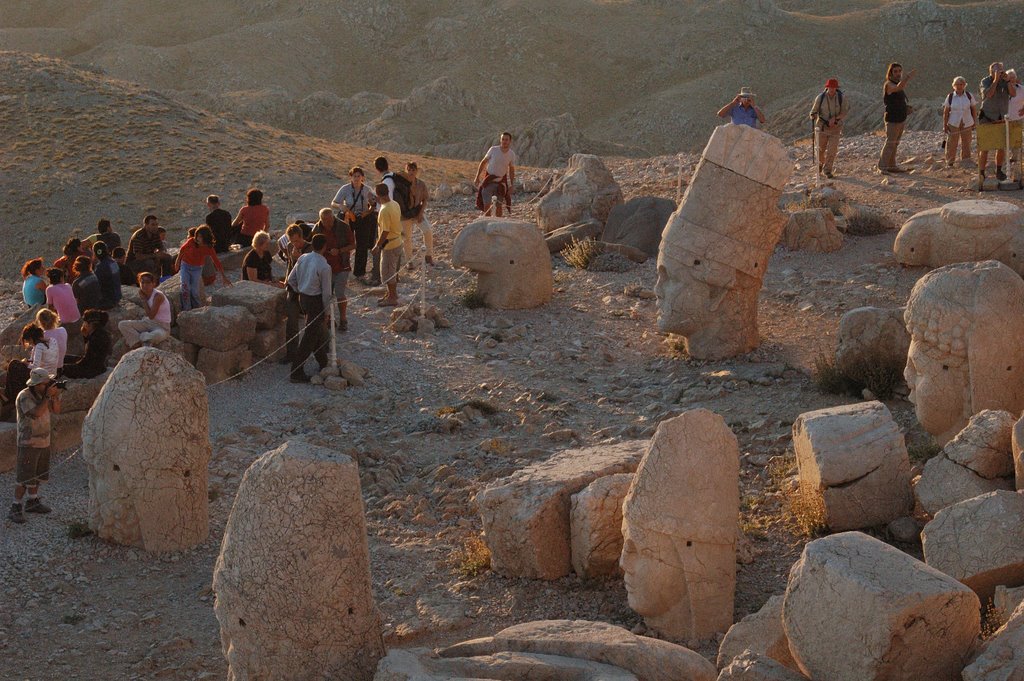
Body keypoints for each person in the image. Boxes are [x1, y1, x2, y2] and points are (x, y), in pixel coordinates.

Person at [7, 368, 61, 524]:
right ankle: (15, 506)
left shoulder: (43, 395)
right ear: (36, 384)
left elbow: (57, 411)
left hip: (44, 442)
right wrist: (47, 397)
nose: (47, 385)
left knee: (37, 475)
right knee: (25, 477)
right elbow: (36, 413)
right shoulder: (24, 396)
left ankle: (32, 501)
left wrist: (55, 397)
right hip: (28, 443)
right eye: (45, 384)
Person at [286, 234, 333, 383]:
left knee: (315, 332)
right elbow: (326, 293)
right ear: (324, 247)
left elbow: (290, 279)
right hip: (315, 301)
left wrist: (300, 289)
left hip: (303, 298)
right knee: (309, 338)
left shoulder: (303, 258)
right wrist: (327, 312)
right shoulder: (324, 266)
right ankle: (296, 372)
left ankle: (323, 363)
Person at [332, 166, 380, 284]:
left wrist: (372, 203)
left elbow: (374, 203)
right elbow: (333, 202)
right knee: (344, 243)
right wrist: (340, 206)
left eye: (359, 176)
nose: (357, 178)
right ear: (351, 178)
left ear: (362, 178)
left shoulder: (367, 189)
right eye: (354, 176)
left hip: (362, 218)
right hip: (348, 217)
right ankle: (341, 269)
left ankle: (359, 273)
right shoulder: (345, 189)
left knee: (362, 245)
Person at [311, 208, 354, 330]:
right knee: (326, 294)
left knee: (340, 293)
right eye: (325, 221)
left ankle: (343, 319)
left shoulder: (343, 227)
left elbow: (353, 244)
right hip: (325, 267)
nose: (328, 223)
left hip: (342, 265)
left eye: (330, 220)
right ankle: (329, 318)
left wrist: (339, 251)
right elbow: (313, 247)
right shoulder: (317, 229)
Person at [176, 225, 231, 310]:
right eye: (197, 236)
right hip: (186, 265)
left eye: (200, 237)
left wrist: (224, 277)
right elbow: (182, 250)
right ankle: (187, 309)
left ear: (206, 238)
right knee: (185, 288)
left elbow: (216, 262)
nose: (197, 238)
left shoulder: (209, 248)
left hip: (197, 268)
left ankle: (197, 309)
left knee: (194, 291)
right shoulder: (191, 241)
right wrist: (177, 262)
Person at [5, 324, 60, 409]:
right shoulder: (52, 341)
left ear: (31, 338)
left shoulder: (39, 346)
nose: (29, 344)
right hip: (52, 373)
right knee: (17, 366)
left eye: (28, 341)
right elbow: (44, 359)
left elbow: (35, 367)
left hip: (42, 376)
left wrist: (25, 363)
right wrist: (28, 362)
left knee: (13, 364)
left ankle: (10, 396)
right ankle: (11, 394)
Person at [978, 62, 1017, 181]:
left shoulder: (1005, 81)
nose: (1000, 72)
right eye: (997, 70)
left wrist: (1009, 82)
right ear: (991, 71)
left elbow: (1013, 93)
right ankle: (982, 172)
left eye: (1001, 70)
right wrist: (995, 80)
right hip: (987, 117)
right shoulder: (985, 81)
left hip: (1001, 118)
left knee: (1001, 147)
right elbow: (988, 94)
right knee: (984, 147)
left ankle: (999, 170)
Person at [282, 223, 312, 365]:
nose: (295, 244)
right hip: (293, 289)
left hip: (307, 290)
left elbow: (308, 271)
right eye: (292, 241)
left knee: (312, 323)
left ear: (302, 237)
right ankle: (291, 354)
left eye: (297, 241)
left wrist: (298, 259)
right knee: (292, 323)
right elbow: (290, 267)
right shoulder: (289, 247)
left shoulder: (310, 249)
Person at [878, 62, 917, 173]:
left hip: (900, 117)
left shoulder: (897, 83)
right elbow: (898, 87)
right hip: (892, 118)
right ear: (890, 73)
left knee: (895, 143)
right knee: (890, 142)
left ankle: (891, 165)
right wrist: (908, 77)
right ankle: (882, 166)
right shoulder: (889, 84)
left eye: (900, 71)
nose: (898, 73)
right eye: (895, 71)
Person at [371, 183, 403, 307]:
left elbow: (385, 231)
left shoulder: (384, 210)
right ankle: (390, 294)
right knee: (391, 269)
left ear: (378, 195)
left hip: (390, 244)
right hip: (397, 240)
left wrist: (377, 246)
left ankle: (392, 297)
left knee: (388, 272)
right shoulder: (395, 204)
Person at [118, 273, 171, 348]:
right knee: (122, 324)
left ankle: (142, 337)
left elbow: (151, 315)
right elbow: (150, 318)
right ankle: (139, 341)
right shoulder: (144, 293)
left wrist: (144, 300)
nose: (145, 285)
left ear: (153, 284)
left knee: (157, 335)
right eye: (142, 282)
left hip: (162, 326)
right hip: (148, 322)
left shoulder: (158, 296)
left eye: (148, 282)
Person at [809, 78, 849, 178]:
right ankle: (819, 165)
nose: (832, 89)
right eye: (830, 87)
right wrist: (813, 115)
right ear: (827, 87)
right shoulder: (820, 98)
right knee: (820, 150)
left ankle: (827, 170)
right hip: (822, 127)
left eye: (834, 87)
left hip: (836, 128)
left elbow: (844, 112)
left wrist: (835, 118)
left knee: (832, 150)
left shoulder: (841, 98)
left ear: (836, 88)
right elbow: (813, 111)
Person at [474, 132, 517, 217]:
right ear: (500, 140)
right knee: (487, 205)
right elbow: (483, 162)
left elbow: (511, 170)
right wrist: (477, 177)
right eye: (503, 139)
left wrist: (511, 185)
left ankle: (498, 225)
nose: (504, 141)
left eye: (506, 140)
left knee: (499, 206)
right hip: (488, 182)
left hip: (500, 183)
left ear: (510, 141)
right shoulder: (493, 150)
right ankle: (487, 224)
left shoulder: (511, 154)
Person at [61, 310, 112, 380]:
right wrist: (86, 337)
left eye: (84, 322)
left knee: (60, 368)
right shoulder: (100, 333)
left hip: (92, 370)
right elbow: (88, 356)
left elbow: (86, 362)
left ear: (90, 324)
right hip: (94, 365)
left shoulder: (96, 337)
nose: (83, 324)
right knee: (63, 358)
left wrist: (68, 366)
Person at [942, 76, 977, 168]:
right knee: (952, 143)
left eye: (961, 84)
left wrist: (975, 122)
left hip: (967, 121)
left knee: (967, 142)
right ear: (954, 86)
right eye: (957, 84)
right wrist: (945, 125)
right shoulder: (950, 97)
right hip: (953, 122)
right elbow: (946, 112)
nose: (959, 86)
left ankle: (966, 161)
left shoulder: (969, 96)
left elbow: (973, 109)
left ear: (964, 85)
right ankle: (949, 162)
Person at [402, 161, 433, 267]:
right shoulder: (401, 185)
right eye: (409, 170)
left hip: (417, 212)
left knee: (427, 230)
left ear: (416, 171)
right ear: (406, 171)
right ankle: (409, 261)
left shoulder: (421, 184)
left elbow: (425, 200)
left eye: (413, 170)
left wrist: (420, 214)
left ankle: (428, 255)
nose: (411, 172)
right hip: (405, 214)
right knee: (407, 238)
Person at [44, 268, 81, 335]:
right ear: (61, 278)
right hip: (77, 319)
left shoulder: (49, 289)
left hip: (65, 323)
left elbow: (50, 307)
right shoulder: (68, 286)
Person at [92, 241, 122, 308]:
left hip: (108, 300)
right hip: (117, 296)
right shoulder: (113, 262)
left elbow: (96, 283)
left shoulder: (100, 267)